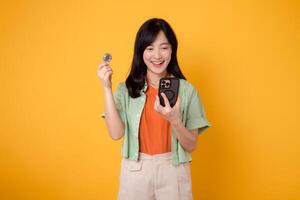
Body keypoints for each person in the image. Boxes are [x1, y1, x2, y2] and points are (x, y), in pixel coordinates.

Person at [97, 18, 211, 200]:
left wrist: (175, 120)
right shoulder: (125, 90)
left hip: (173, 171)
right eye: (149, 48)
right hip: (136, 170)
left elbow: (191, 145)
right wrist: (106, 87)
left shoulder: (187, 91)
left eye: (164, 47)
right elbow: (116, 133)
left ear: (172, 50)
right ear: (140, 52)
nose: (157, 56)